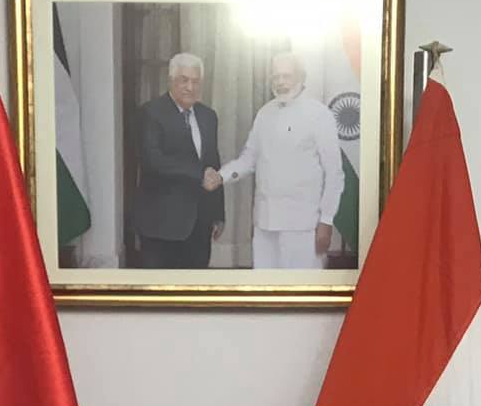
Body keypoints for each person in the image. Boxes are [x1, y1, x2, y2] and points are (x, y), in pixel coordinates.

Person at [205, 52, 344, 269]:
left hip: (302, 225)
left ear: (301, 77)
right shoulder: (265, 113)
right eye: (276, 77)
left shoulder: (319, 114)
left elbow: (334, 173)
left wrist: (326, 220)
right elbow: (249, 158)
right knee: (265, 286)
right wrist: (221, 176)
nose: (280, 82)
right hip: (265, 222)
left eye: (286, 76)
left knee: (301, 288)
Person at [132, 52, 224, 269]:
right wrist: (198, 174)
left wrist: (218, 214)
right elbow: (153, 160)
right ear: (171, 80)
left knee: (195, 286)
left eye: (196, 81)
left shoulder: (208, 116)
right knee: (160, 288)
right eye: (184, 80)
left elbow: (213, 164)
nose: (190, 87)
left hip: (199, 225)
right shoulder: (150, 112)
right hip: (161, 225)